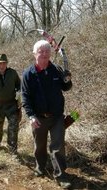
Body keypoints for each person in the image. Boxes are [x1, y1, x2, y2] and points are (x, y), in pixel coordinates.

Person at [21, 40, 72, 189]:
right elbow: (25, 97)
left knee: (58, 146)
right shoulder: (28, 74)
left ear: (50, 53)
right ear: (34, 54)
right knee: (40, 146)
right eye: (40, 51)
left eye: (47, 51)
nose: (44, 54)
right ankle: (40, 167)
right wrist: (31, 116)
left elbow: (66, 87)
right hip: (38, 118)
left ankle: (61, 175)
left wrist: (67, 78)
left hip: (56, 117)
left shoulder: (56, 69)